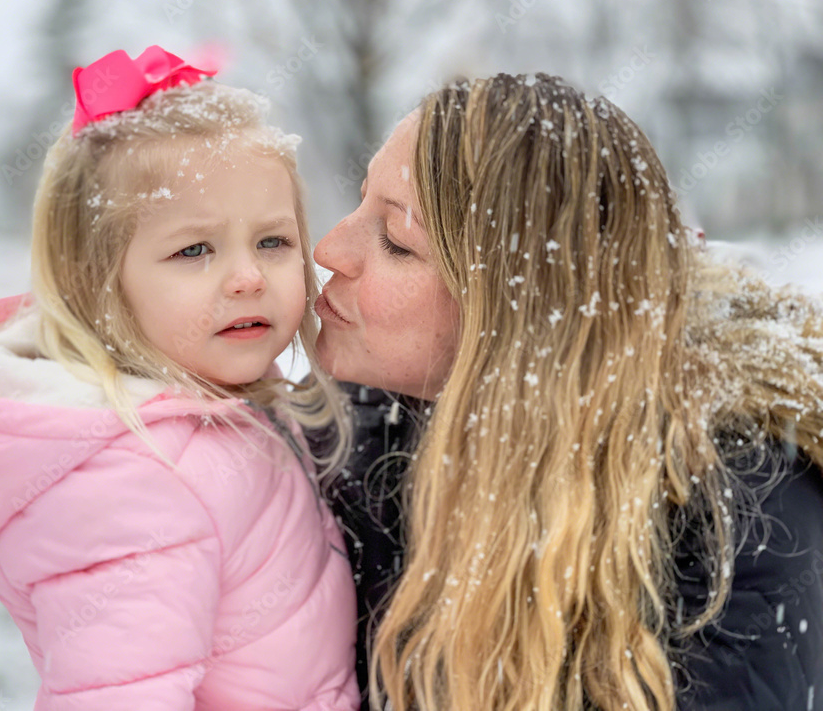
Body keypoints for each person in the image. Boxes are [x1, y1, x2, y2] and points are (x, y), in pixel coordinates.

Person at [0, 45, 359, 710]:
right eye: (194, 250)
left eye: (272, 241)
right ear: (97, 286)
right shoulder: (133, 481)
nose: (249, 277)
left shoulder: (205, 419)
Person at [308, 73, 823, 710]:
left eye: (394, 241)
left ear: (521, 311)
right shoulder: (355, 436)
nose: (328, 248)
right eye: (360, 202)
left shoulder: (736, 525)